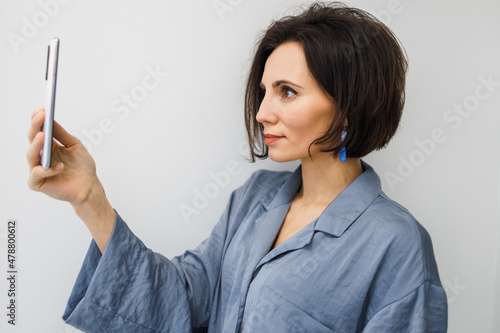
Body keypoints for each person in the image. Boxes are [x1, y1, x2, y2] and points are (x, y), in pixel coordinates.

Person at [27, 2, 448, 332]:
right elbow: (185, 301)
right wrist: (91, 201)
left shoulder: (397, 244)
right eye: (264, 91)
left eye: (287, 92)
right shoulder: (255, 199)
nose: (262, 111)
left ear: (349, 106)